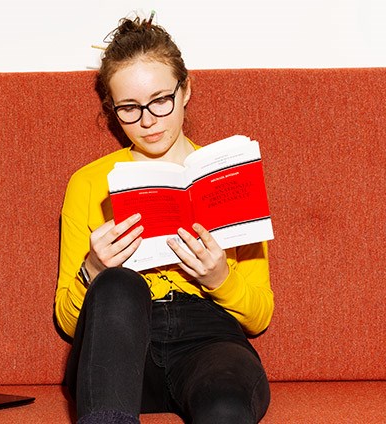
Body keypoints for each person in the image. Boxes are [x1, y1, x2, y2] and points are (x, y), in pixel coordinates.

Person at [55, 12, 273, 424]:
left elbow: (260, 315)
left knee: (224, 404)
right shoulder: (87, 183)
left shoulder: (229, 176)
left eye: (160, 100)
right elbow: (68, 324)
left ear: (185, 89)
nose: (148, 120)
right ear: (111, 108)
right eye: (129, 108)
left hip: (207, 338)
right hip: (118, 343)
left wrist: (218, 277)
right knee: (119, 283)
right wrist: (93, 269)